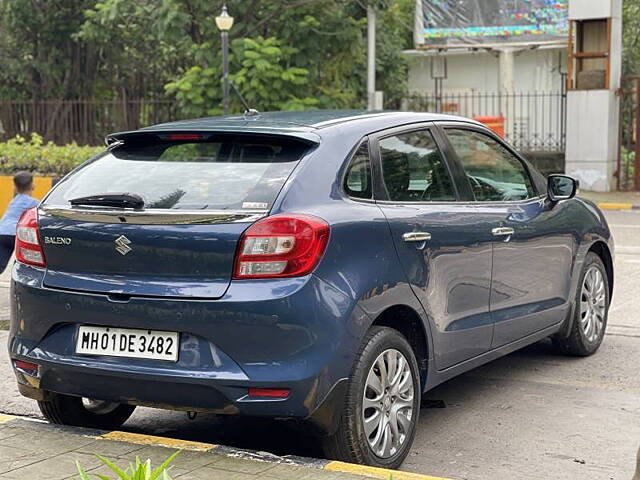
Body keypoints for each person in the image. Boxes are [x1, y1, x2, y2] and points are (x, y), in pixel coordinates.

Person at [0, 171, 39, 273]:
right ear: (33, 185)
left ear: (15, 188)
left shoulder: (13, 201)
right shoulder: (35, 203)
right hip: (17, 235)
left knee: (1, 265)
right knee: (27, 263)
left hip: (2, 232)